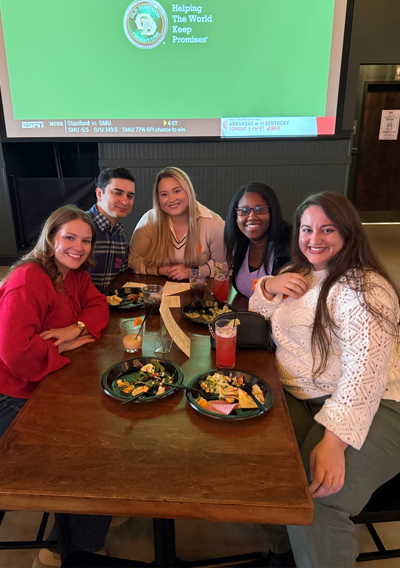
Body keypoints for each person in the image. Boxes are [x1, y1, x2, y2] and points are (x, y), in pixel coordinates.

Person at [249, 192, 400, 568]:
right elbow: (262, 310)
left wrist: (334, 441)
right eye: (306, 229)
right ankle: (282, 553)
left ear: (349, 233)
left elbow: (364, 372)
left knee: (317, 497)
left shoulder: (365, 289)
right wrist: (268, 286)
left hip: (376, 401)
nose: (314, 238)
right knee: (265, 465)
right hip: (303, 395)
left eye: (327, 229)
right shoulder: (302, 273)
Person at [0, 205, 111, 568]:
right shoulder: (28, 280)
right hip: (14, 395)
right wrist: (63, 345)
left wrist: (74, 329)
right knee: (92, 460)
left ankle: (90, 526)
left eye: (85, 240)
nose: (78, 247)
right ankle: (66, 551)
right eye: (69, 238)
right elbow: (16, 354)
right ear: (51, 238)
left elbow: (98, 305)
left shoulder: (73, 273)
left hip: (49, 379)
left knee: (107, 431)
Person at [129, 166, 225, 279]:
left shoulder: (213, 222)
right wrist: (162, 270)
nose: (171, 199)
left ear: (188, 191)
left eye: (177, 191)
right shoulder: (149, 221)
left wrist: (193, 272)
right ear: (158, 198)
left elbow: (224, 265)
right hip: (158, 289)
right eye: (164, 194)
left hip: (200, 289)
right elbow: (133, 261)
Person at [224, 183, 292, 297]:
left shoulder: (291, 247)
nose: (252, 216)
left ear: (272, 212)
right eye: (244, 210)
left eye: (260, 209)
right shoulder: (240, 241)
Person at [87, 167, 135, 293]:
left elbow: (123, 275)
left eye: (130, 196)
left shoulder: (120, 236)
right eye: (117, 193)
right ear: (99, 194)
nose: (125, 201)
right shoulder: (79, 226)